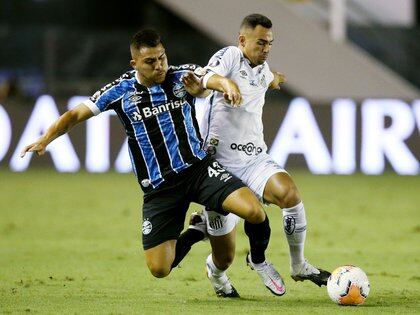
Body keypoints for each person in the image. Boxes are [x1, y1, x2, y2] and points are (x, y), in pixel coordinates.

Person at [20, 29, 271, 294]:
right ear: (135, 64)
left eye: (161, 58)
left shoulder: (180, 75)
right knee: (160, 268)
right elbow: (75, 114)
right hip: (160, 188)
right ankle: (197, 230)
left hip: (199, 170)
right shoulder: (121, 91)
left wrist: (227, 85)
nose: (159, 66)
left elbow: (209, 77)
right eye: (150, 61)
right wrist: (45, 139)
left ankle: (257, 260)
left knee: (253, 212)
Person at [197, 14, 331, 297]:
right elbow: (205, 76)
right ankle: (217, 276)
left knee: (290, 195)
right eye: (261, 42)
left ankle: (299, 265)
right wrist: (226, 85)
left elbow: (268, 80)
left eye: (270, 43)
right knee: (224, 257)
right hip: (219, 167)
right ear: (243, 40)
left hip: (254, 159)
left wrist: (277, 79)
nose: (266, 48)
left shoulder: (264, 69)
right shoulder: (231, 56)